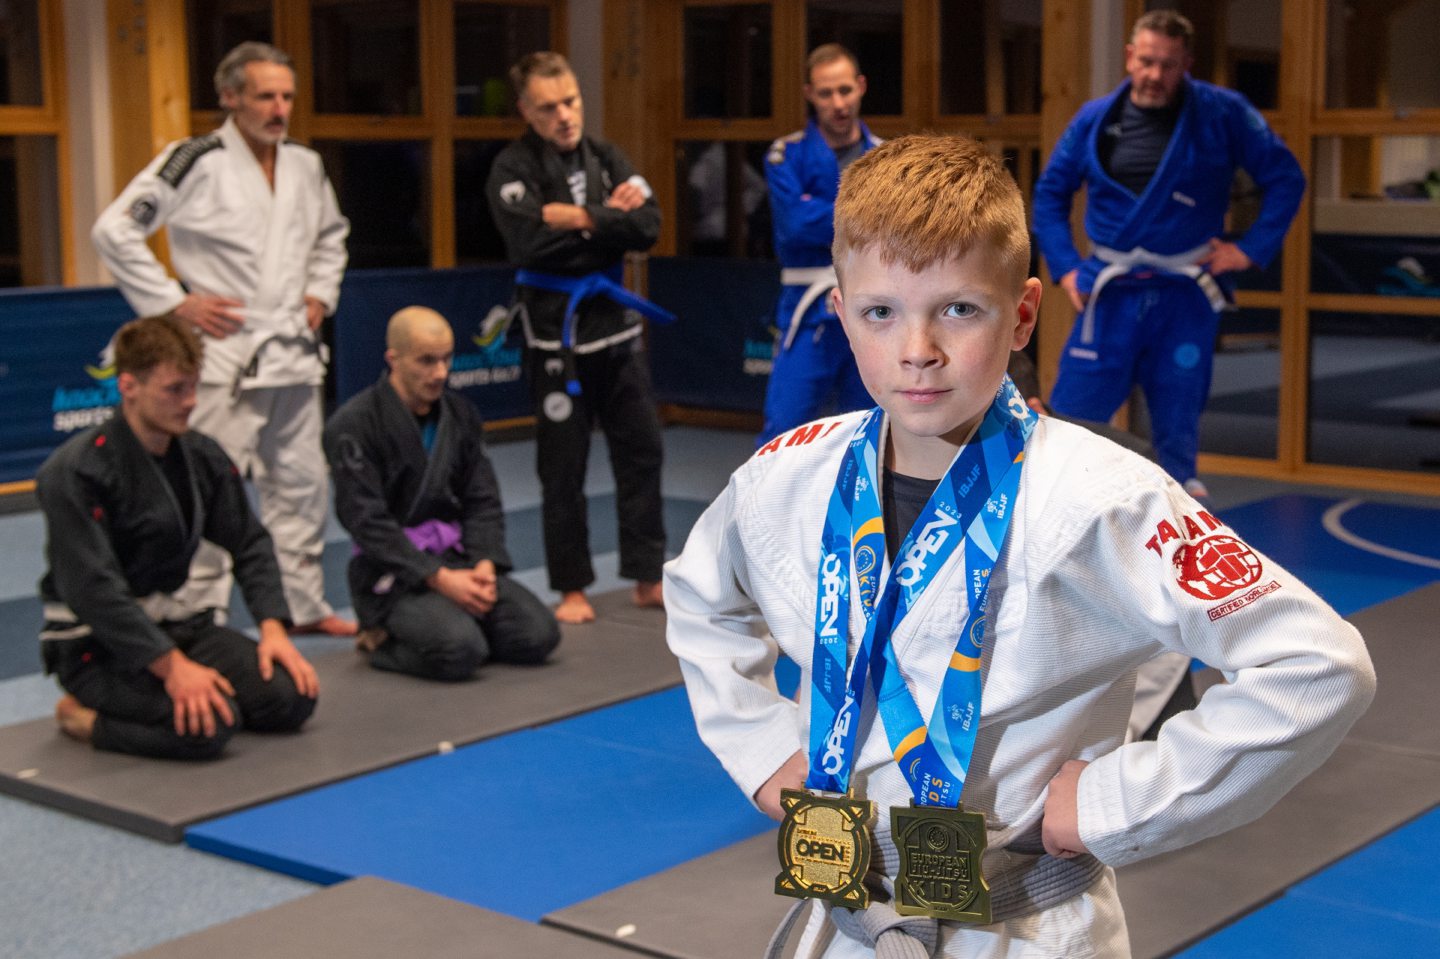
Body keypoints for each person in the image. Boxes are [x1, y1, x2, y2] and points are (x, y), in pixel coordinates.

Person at [665, 134, 1373, 957]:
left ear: (1024, 312)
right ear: (840, 314)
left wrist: (1111, 799)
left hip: (1024, 922)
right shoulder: (787, 475)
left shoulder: (1106, 498)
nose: (917, 349)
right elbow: (697, 595)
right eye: (880, 311)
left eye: (958, 309)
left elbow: (1318, 665)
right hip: (843, 912)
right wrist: (761, 750)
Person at [92, 41, 353, 636]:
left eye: (287, 95)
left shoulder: (306, 166)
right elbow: (114, 230)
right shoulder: (194, 159)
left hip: (293, 351)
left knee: (303, 484)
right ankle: (198, 612)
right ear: (230, 96)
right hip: (224, 357)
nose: (279, 108)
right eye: (265, 95)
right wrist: (172, 302)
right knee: (209, 486)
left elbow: (331, 237)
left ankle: (302, 605)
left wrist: (320, 293)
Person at [1031, 9, 1304, 497]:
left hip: (1184, 292)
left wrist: (1249, 250)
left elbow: (1286, 177)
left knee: (1178, 425)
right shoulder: (1095, 119)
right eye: (1148, 62)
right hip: (1109, 290)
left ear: (1187, 65)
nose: (1156, 75)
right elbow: (1050, 193)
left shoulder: (1223, 112)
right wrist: (1067, 268)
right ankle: (1059, 509)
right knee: (1068, 420)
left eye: (1169, 65)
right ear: (1130, 57)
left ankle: (1176, 535)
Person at [37, 315, 318, 760]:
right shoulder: (75, 472)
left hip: (177, 623)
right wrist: (171, 668)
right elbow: (93, 588)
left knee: (289, 699)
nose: (189, 402)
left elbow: (249, 541)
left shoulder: (200, 455)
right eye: (174, 390)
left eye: (194, 388)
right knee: (208, 728)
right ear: (128, 386)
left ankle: (180, 684)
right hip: (97, 644)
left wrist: (273, 628)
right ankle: (84, 719)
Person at [486, 51, 667, 625]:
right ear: (525, 110)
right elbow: (530, 246)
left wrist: (577, 217)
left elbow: (648, 227)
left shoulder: (608, 156)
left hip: (614, 328)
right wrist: (604, 221)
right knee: (562, 465)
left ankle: (645, 575)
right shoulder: (512, 168)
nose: (565, 115)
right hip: (554, 336)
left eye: (571, 101)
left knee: (642, 449)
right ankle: (571, 587)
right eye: (549, 107)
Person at [323, 307, 561, 681]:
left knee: (539, 635)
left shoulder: (461, 414)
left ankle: (452, 622)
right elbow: (366, 522)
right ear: (393, 359)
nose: (440, 373)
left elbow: (482, 499)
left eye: (447, 359)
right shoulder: (353, 426)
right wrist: (437, 578)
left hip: (458, 560)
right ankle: (379, 640)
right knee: (459, 651)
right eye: (426, 361)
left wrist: (484, 564)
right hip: (391, 574)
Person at [758, 43, 881, 444]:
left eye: (845, 90)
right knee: (783, 428)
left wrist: (817, 208)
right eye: (826, 93)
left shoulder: (885, 157)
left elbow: (895, 228)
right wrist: (867, 212)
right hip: (807, 309)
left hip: (872, 309)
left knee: (871, 429)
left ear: (861, 87)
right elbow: (795, 226)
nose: (838, 102)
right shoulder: (786, 154)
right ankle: (772, 510)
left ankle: (866, 509)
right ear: (810, 94)